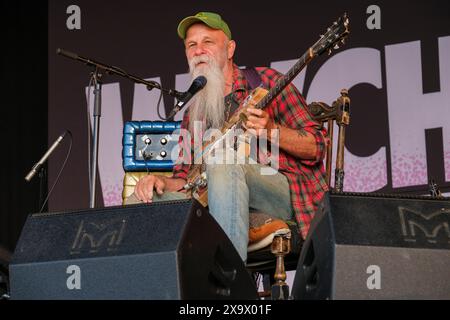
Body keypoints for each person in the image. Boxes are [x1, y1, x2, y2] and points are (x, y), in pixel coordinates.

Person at [125, 12, 329, 262]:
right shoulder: (195, 109)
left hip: (279, 194)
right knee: (139, 199)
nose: (198, 50)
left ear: (230, 49)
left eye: (207, 42)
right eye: (192, 45)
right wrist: (159, 182)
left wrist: (271, 130)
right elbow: (185, 179)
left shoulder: (266, 82)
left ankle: (231, 286)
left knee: (222, 162)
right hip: (214, 197)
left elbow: (316, 146)